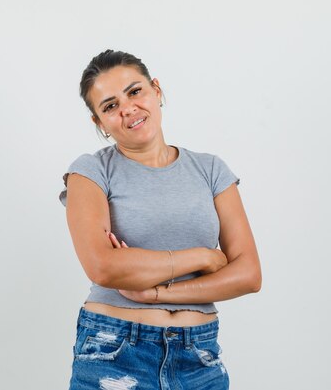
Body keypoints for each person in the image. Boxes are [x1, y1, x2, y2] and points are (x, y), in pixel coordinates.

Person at [59, 49, 261, 390]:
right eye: (109, 106)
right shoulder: (91, 172)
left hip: (199, 356)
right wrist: (204, 257)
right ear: (100, 122)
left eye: (134, 91)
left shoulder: (210, 170)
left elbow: (248, 274)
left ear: (156, 90)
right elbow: (103, 266)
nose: (127, 108)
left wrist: (155, 293)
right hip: (115, 351)